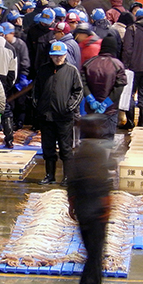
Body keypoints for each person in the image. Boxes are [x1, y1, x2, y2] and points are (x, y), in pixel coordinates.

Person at [67, 114, 112, 284]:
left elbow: (72, 181)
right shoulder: (98, 152)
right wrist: (106, 205)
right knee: (94, 257)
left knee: (93, 255)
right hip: (95, 212)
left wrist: (72, 203)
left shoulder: (80, 151)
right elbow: (103, 183)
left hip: (83, 210)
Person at [33, 41, 83, 186]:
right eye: (55, 56)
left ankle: (67, 177)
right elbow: (36, 90)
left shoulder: (72, 70)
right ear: (50, 56)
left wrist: (69, 106)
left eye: (60, 56)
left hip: (64, 117)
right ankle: (50, 175)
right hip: (46, 116)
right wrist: (38, 105)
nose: (57, 58)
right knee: (47, 148)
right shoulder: (43, 70)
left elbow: (78, 91)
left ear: (65, 55)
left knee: (65, 148)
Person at [81, 34, 127, 141]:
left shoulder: (89, 63)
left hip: (90, 111)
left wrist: (90, 99)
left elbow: (82, 82)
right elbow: (119, 86)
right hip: (109, 112)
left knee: (89, 141)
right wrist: (106, 103)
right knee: (106, 142)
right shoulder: (118, 65)